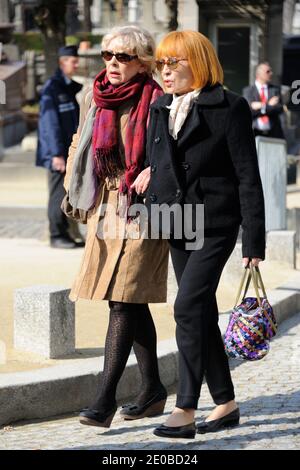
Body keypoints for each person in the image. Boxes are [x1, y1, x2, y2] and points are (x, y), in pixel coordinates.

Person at [136, 30, 266, 439]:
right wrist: (149, 173)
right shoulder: (160, 106)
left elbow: (248, 176)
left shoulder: (230, 107)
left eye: (174, 62)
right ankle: (225, 403)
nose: (165, 71)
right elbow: (162, 159)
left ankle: (186, 407)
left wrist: (254, 242)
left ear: (199, 62)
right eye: (161, 63)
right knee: (201, 312)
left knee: (187, 306)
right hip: (178, 221)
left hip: (216, 223)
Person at [63, 26, 169, 428]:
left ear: (143, 61)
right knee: (128, 299)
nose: (112, 63)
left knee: (123, 300)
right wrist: (73, 192)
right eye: (108, 55)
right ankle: (153, 389)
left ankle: (104, 399)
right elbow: (79, 141)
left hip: (143, 209)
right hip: (104, 205)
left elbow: (171, 156)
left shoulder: (159, 99)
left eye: (122, 57)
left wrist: (152, 172)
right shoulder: (93, 95)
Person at [36, 45, 84, 249]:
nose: (76, 64)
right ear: (61, 62)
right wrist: (56, 154)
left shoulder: (65, 86)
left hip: (67, 151)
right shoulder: (52, 88)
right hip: (57, 154)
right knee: (57, 194)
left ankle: (67, 232)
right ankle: (56, 234)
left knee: (67, 193)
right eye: (72, 61)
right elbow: (49, 124)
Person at [243, 62, 284, 139]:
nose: (271, 73)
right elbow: (248, 111)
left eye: (271, 71)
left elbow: (279, 109)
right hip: (254, 132)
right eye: (268, 71)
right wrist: (268, 105)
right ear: (258, 74)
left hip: (273, 133)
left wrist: (261, 106)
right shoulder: (248, 91)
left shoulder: (275, 90)